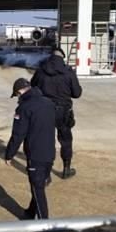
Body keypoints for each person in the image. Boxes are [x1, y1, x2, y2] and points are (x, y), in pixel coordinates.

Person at [4, 77, 56, 220]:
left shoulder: (25, 108)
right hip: (50, 151)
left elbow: (18, 134)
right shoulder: (49, 103)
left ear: (20, 91)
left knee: (37, 188)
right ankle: (30, 213)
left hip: (35, 153)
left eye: (17, 95)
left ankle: (43, 222)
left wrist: (9, 154)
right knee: (38, 184)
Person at [30, 46, 82, 179]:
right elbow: (77, 93)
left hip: (44, 110)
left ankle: (46, 174)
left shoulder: (41, 70)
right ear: (62, 57)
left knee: (46, 142)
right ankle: (66, 168)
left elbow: (33, 86)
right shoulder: (68, 72)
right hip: (63, 111)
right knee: (65, 140)